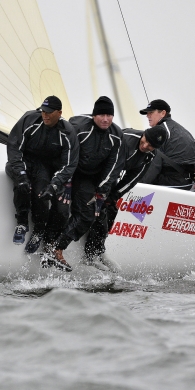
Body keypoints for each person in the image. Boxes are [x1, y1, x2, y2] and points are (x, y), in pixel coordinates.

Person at [43, 96, 123, 272]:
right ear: (94, 115)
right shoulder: (79, 128)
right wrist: (66, 184)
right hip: (72, 172)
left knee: (93, 215)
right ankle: (52, 246)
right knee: (73, 212)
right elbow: (66, 155)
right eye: (101, 114)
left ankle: (66, 249)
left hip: (91, 178)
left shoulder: (116, 135)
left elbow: (113, 167)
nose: (105, 119)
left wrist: (102, 192)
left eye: (109, 115)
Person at [83, 124, 167, 271]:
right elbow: (108, 165)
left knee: (112, 209)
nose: (145, 145)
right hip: (95, 170)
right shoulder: (127, 139)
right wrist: (102, 192)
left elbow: (133, 178)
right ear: (144, 134)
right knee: (100, 209)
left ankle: (98, 250)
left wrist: (114, 196)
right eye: (145, 140)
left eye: (151, 146)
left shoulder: (150, 155)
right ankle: (90, 255)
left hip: (111, 176)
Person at [5, 95, 78, 247]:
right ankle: (22, 223)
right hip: (24, 160)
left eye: (49, 112)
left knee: (42, 193)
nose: (45, 115)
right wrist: (21, 174)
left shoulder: (67, 132)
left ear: (59, 113)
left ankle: (39, 230)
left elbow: (69, 165)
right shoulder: (30, 119)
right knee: (22, 184)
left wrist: (54, 185)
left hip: (44, 166)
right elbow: (14, 146)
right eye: (43, 111)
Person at [137, 99, 195, 189]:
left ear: (163, 113)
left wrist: (137, 184)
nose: (147, 116)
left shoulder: (161, 132)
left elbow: (154, 165)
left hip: (170, 183)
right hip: (187, 184)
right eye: (147, 113)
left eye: (151, 112)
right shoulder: (184, 131)